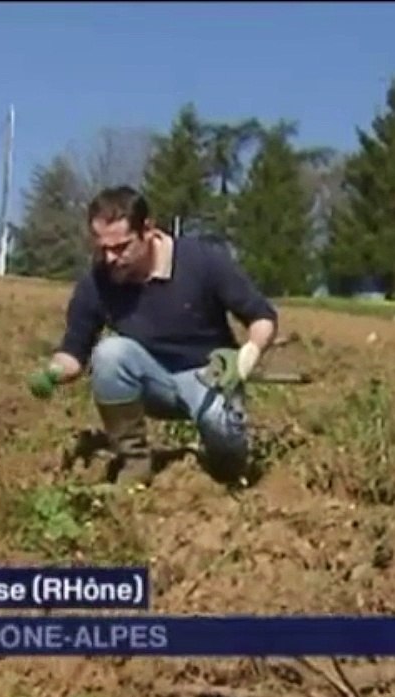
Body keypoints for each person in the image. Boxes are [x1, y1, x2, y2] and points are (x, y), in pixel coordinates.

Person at [26, 186, 278, 487]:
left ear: (148, 229)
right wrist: (53, 372)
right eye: (102, 248)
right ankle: (135, 464)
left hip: (209, 379)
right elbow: (74, 353)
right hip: (151, 382)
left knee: (221, 429)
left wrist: (246, 357)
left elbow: (263, 318)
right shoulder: (98, 282)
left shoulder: (202, 260)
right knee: (109, 353)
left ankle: (228, 474)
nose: (110, 258)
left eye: (121, 247)